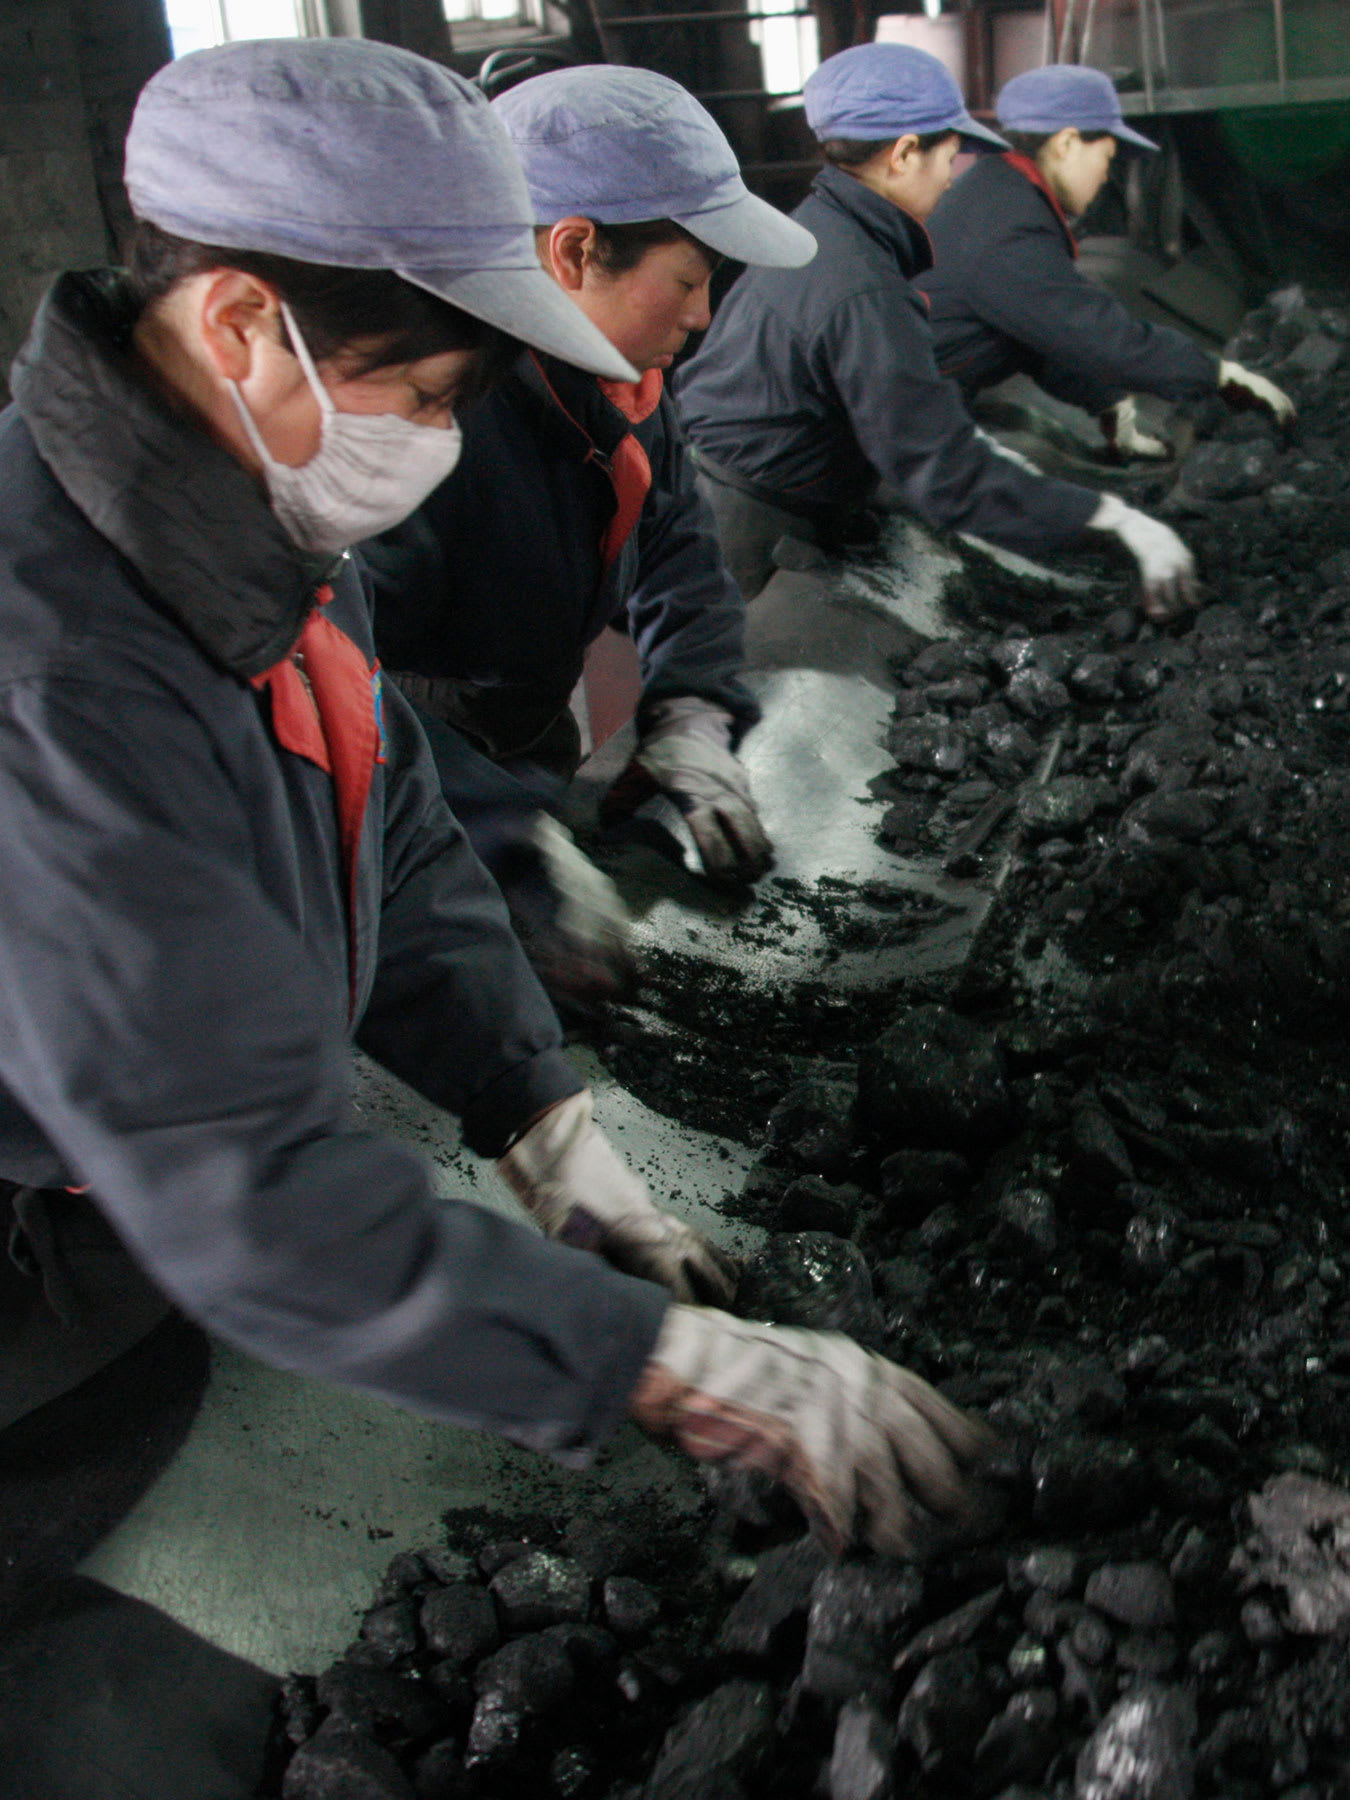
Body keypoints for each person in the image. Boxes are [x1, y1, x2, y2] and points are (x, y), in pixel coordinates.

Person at [0, 37, 991, 1597]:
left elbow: (381, 809)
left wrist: (541, 1122)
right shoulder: (60, 670)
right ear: (246, 321)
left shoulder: (233, 519)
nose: (443, 438)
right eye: (427, 388)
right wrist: (675, 1370)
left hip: (132, 1160)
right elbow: (243, 1186)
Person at [361, 66, 817, 1002]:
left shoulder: (619, 384)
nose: (701, 315)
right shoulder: (425, 418)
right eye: (687, 281)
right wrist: (500, 830)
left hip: (522, 743)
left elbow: (683, 545)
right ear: (573, 252)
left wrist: (692, 709)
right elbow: (325, 674)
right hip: (397, 783)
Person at [676, 43, 1197, 620]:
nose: (952, 181)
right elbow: (944, 473)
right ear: (903, 155)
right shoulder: (861, 285)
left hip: (735, 494)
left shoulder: (826, 232)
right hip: (742, 536)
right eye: (950, 160)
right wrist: (1114, 521)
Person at [918, 63, 1295, 460]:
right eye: (1107, 157)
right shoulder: (1006, 223)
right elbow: (1095, 333)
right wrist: (1217, 374)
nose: (1105, 176)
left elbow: (1032, 334)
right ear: (1066, 144)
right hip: (879, 430)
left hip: (913, 404)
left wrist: (1107, 402)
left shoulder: (997, 195)